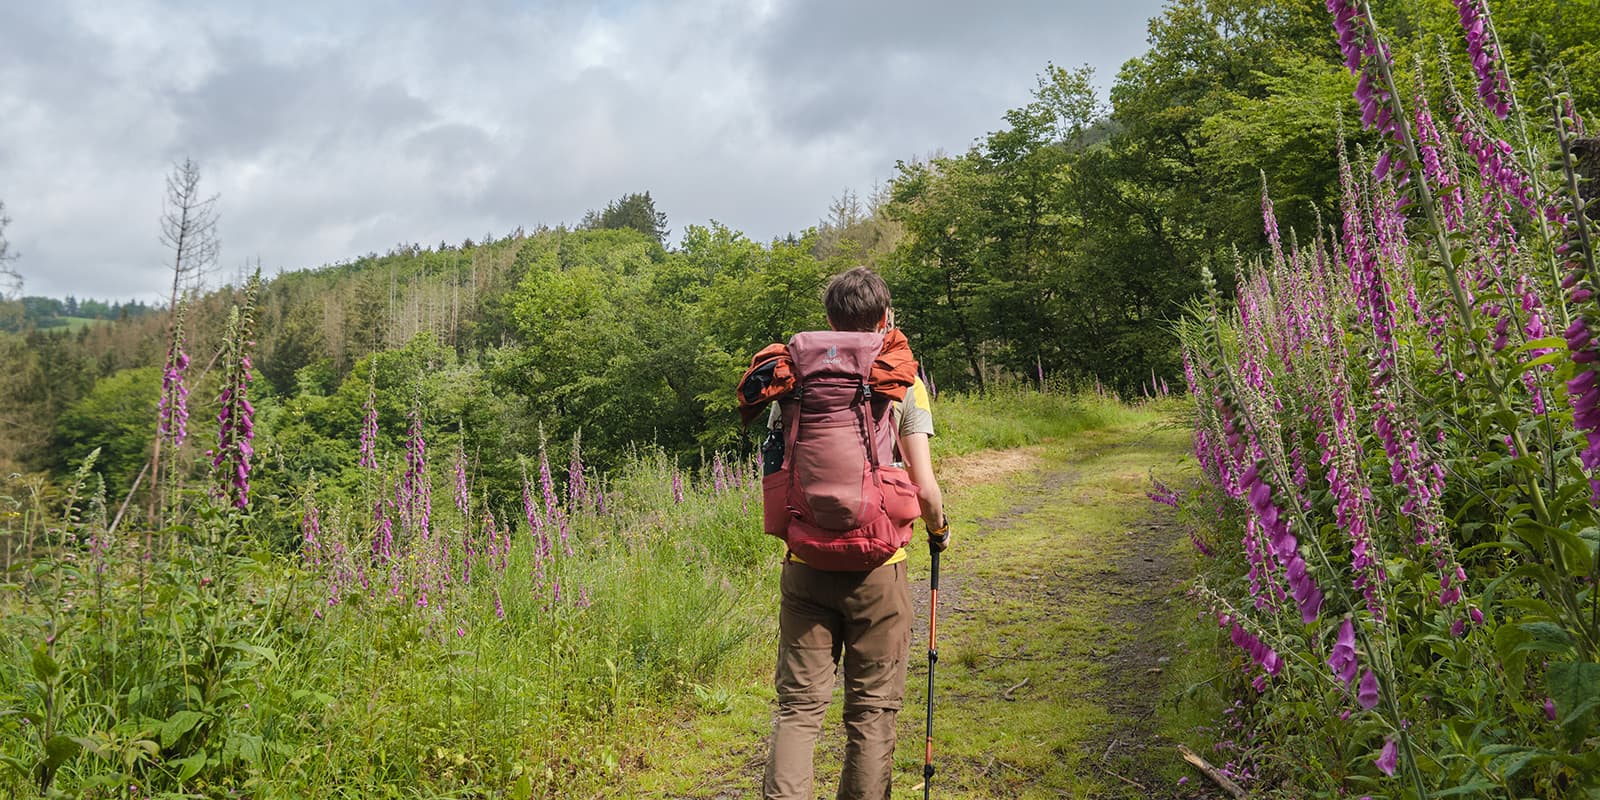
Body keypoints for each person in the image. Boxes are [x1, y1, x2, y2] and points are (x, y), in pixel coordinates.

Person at [738, 266, 949, 800]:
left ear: (831, 320)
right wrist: (939, 531)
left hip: (806, 566)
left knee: (800, 708)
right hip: (879, 571)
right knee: (872, 713)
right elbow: (925, 490)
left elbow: (777, 465)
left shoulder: (793, 376)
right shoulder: (901, 378)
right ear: (885, 319)